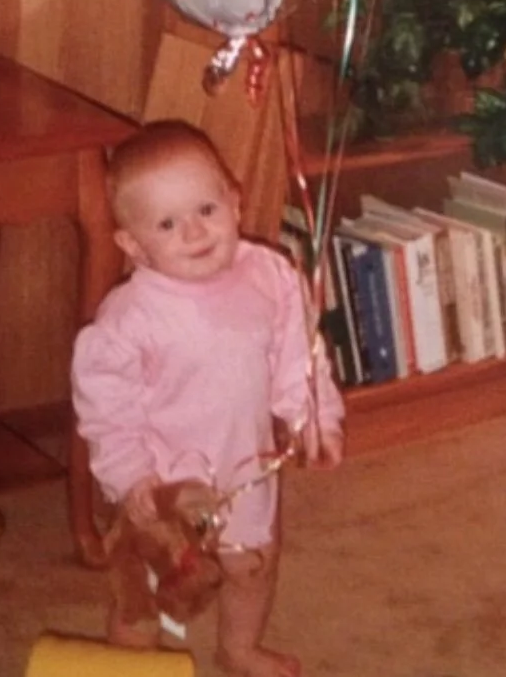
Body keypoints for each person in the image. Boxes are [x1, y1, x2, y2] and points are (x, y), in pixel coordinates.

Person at [72, 120, 344, 677]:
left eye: (206, 210)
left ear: (234, 201)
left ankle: (238, 649)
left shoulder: (269, 276)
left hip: (245, 467)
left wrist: (316, 418)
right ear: (132, 243)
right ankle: (128, 663)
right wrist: (130, 478)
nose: (194, 232)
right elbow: (105, 407)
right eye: (167, 224)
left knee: (254, 566)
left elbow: (300, 355)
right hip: (163, 486)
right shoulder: (130, 317)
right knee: (145, 593)